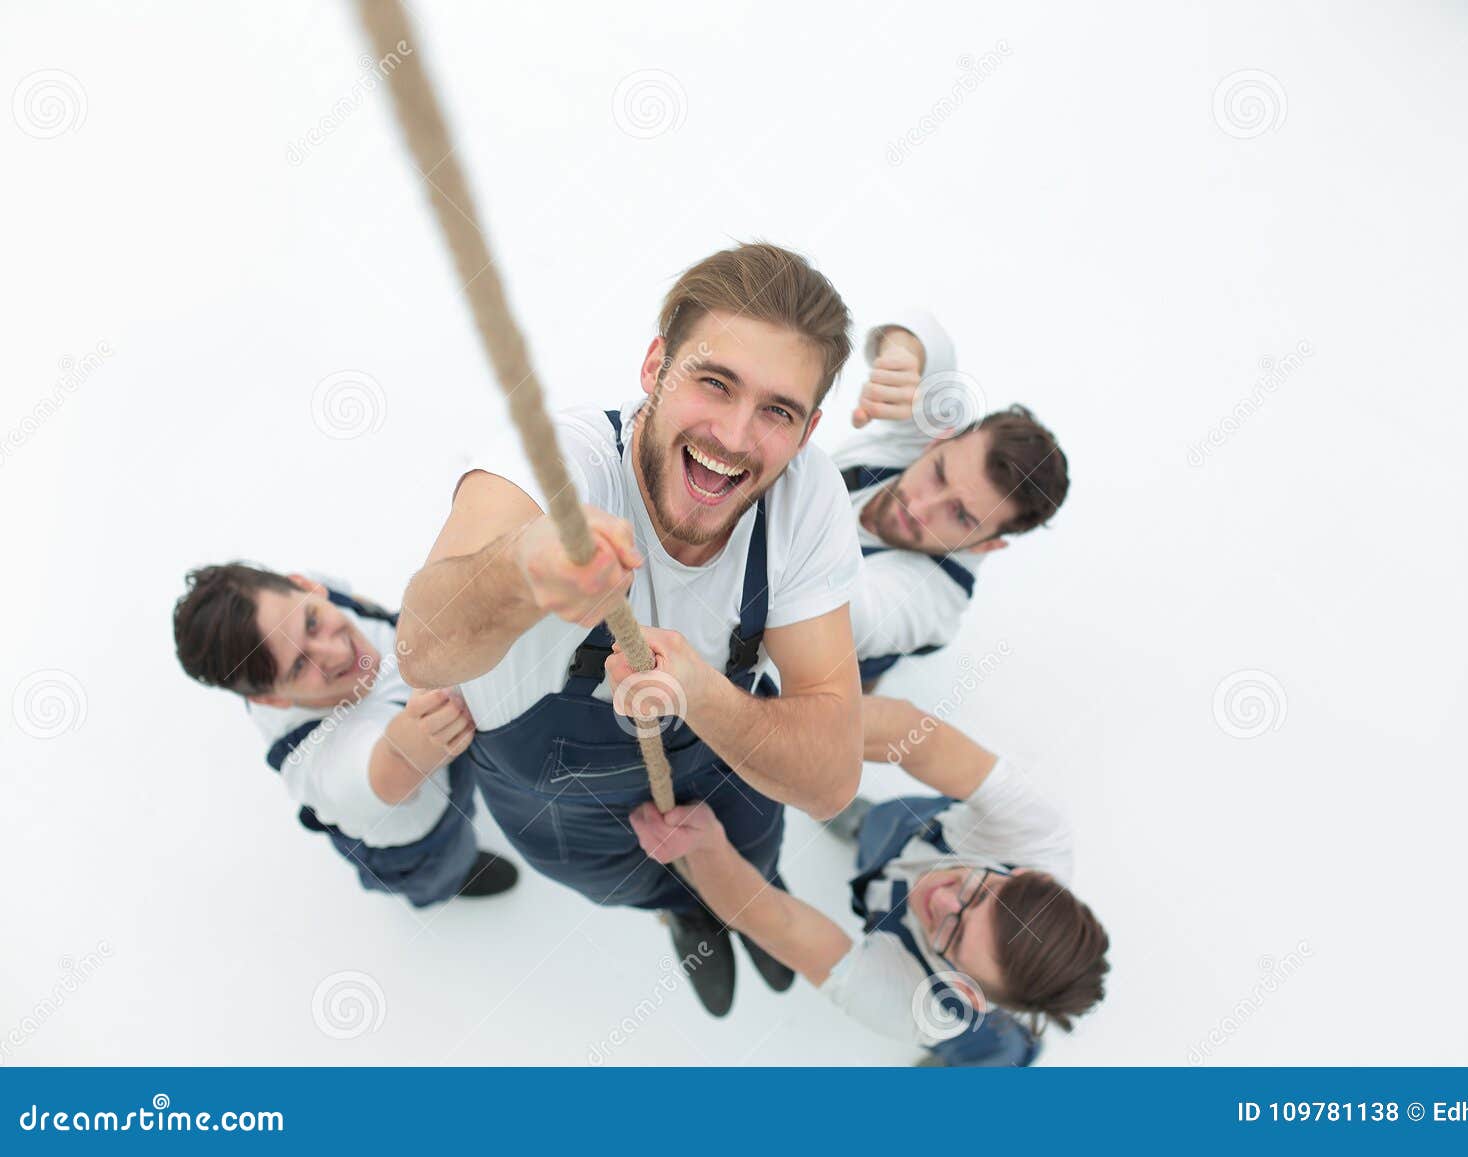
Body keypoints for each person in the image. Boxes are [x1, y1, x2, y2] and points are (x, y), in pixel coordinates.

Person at [397, 242, 865, 1015]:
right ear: (655, 367)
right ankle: (687, 913)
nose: (736, 436)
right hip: (560, 798)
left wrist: (701, 696)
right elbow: (421, 650)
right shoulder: (553, 468)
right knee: (647, 884)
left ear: (809, 430)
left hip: (723, 755)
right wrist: (522, 571)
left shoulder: (806, 499)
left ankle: (750, 908)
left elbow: (827, 780)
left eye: (777, 411)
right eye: (714, 382)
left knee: (749, 859)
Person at [629, 694, 1109, 1065]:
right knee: (881, 826)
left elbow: (778, 922)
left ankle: (1000, 1060)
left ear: (966, 988)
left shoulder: (919, 1008)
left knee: (982, 1049)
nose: (941, 898)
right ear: (1021, 873)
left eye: (953, 933)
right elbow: (915, 734)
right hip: (913, 831)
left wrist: (706, 846)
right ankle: (862, 826)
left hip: (966, 1027)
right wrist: (781, 732)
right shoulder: (1038, 835)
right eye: (977, 892)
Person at [172, 564, 518, 907]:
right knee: (444, 868)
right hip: (422, 840)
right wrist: (431, 719)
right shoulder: (318, 763)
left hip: (450, 763)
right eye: (299, 665)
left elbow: (360, 604)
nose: (337, 652)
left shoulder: (317, 594)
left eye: (312, 622)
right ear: (271, 700)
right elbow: (395, 761)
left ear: (306, 585)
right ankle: (454, 879)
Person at [834, 311, 1069, 688]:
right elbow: (928, 337)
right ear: (939, 440)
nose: (920, 506)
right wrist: (902, 361)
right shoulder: (918, 439)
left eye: (960, 516)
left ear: (986, 545)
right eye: (938, 473)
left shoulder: (934, 599)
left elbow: (836, 613)